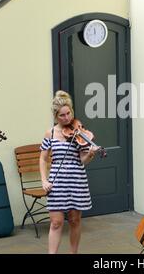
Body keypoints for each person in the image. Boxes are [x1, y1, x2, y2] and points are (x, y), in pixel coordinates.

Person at [39, 90, 99, 254]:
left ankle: (73, 253)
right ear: (55, 116)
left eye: (68, 113)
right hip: (57, 183)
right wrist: (44, 180)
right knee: (56, 222)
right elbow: (43, 159)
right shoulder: (50, 133)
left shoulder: (79, 132)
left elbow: (82, 161)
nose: (67, 118)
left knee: (74, 220)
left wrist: (90, 154)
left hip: (77, 181)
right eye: (62, 115)